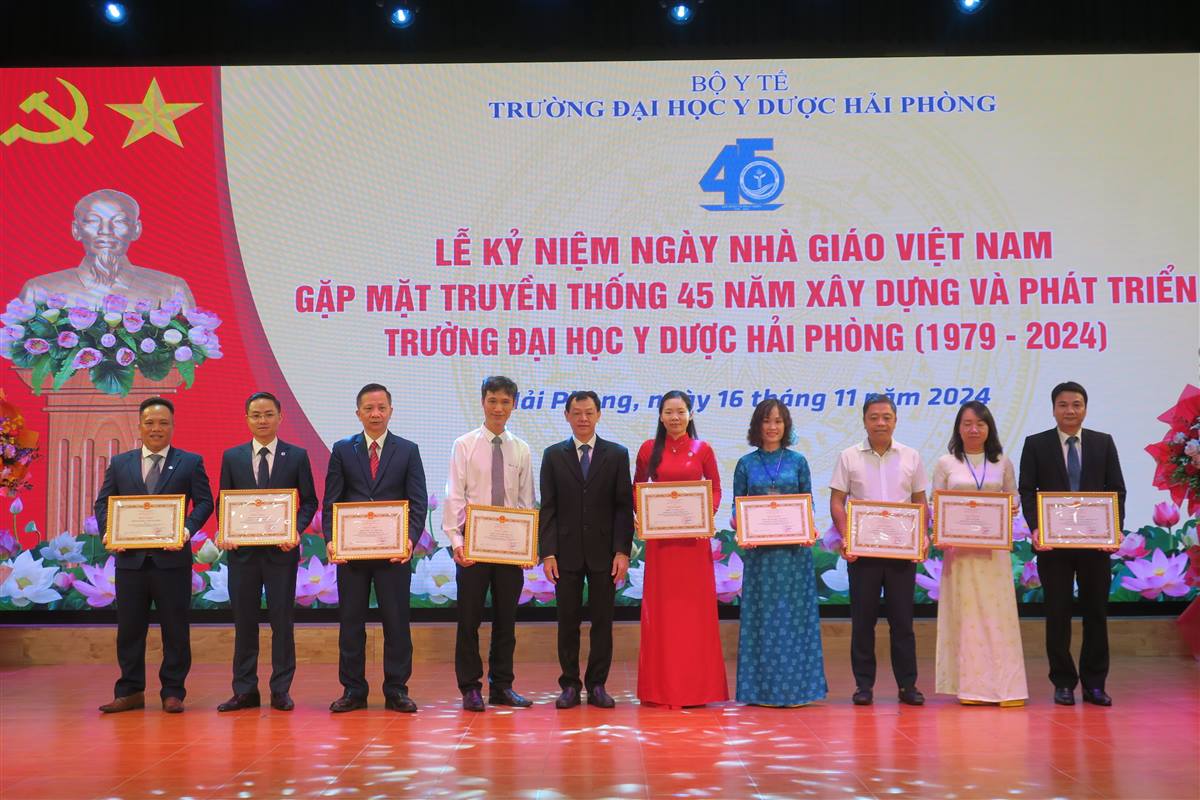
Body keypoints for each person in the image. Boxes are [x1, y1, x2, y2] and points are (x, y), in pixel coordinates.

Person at [93, 396, 214, 713]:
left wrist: (186, 530)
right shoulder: (121, 463)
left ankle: (173, 691)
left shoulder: (190, 462)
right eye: (150, 422)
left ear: (173, 426)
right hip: (130, 562)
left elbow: (204, 502)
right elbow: (104, 502)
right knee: (129, 629)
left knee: (176, 628)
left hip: (172, 560)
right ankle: (130, 690)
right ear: (139, 425)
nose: (156, 428)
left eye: (163, 422)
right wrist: (109, 532)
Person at [1018, 381, 1126, 707]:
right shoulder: (1036, 444)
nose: (1070, 410)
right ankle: (1063, 682)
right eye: (1063, 405)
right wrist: (1037, 528)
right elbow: (1027, 490)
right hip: (1055, 548)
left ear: (1085, 408)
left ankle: (1095, 684)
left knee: (1096, 614)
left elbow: (1117, 490)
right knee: (1058, 614)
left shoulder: (1102, 443)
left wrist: (1114, 530)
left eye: (1076, 404)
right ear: (1053, 409)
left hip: (1095, 546)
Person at [323, 383, 427, 713]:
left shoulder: (408, 450)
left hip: (393, 553)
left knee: (396, 622)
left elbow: (418, 502)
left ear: (391, 411)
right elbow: (332, 500)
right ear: (358, 413)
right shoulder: (342, 449)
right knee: (351, 622)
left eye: (381, 407)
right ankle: (353, 690)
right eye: (369, 408)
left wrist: (409, 540)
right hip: (352, 554)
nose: (375, 413)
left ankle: (396, 689)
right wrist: (330, 539)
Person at [216, 391, 319, 712]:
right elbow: (224, 501)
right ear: (247, 419)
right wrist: (225, 530)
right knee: (244, 622)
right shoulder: (232, 457)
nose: (262, 420)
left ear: (280, 417)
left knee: (281, 622)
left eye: (268, 414)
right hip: (243, 554)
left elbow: (310, 502)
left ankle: (280, 689)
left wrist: (296, 530)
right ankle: (245, 690)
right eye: (256, 415)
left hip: (280, 554)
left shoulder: (297, 456)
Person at [829, 393, 928, 707]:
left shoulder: (911, 456)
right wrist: (847, 536)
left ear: (895, 420)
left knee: (903, 622)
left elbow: (920, 502)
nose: (880, 422)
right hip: (864, 552)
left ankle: (908, 686)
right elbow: (837, 501)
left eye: (886, 416)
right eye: (874, 417)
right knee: (863, 622)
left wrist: (922, 536)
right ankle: (863, 686)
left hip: (901, 553)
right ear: (864, 421)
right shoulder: (849, 456)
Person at [444, 376, 535, 712]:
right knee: (469, 620)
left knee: (506, 620)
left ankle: (502, 686)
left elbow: (526, 503)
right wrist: (456, 542)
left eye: (506, 402)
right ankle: (470, 687)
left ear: (514, 405)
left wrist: (528, 547)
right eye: (493, 400)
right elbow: (455, 496)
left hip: (510, 549)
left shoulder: (521, 449)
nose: (499, 408)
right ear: (483, 401)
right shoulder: (464, 445)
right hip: (472, 548)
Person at [540, 390, 634, 709]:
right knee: (567, 621)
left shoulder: (617, 454)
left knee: (602, 623)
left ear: (598, 415)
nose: (583, 418)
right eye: (577, 413)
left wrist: (622, 551)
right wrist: (548, 553)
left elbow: (624, 507)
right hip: (564, 554)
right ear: (566, 415)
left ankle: (597, 685)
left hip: (604, 554)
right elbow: (548, 508)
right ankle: (569, 684)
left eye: (589, 412)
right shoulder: (553, 455)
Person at [634, 390, 728, 707]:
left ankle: (697, 689)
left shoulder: (703, 449)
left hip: (693, 545)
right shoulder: (648, 450)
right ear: (660, 416)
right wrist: (644, 514)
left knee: (694, 616)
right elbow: (637, 488)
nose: (675, 417)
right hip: (662, 546)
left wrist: (706, 514)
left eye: (681, 411)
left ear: (690, 414)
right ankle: (660, 690)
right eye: (669, 412)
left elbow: (714, 488)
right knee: (662, 615)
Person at [931, 401, 1027, 706]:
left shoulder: (1003, 463)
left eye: (980, 424)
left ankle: (1006, 687)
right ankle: (970, 687)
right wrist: (942, 531)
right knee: (966, 616)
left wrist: (1008, 508)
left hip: (993, 553)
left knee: (998, 617)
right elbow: (936, 506)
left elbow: (1013, 498)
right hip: (959, 553)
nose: (973, 430)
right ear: (958, 428)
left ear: (989, 428)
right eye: (967, 424)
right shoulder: (946, 463)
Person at [733, 399, 828, 707]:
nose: (772, 427)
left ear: (786, 426)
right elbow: (738, 509)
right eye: (766, 421)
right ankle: (761, 691)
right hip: (761, 558)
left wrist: (809, 529)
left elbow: (808, 503)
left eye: (778, 421)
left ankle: (800, 690)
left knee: (794, 620)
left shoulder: (798, 461)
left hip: (793, 557)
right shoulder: (745, 464)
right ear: (756, 426)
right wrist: (741, 530)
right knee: (763, 620)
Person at [19, 189, 197, 309]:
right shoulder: (39, 290)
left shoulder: (170, 289)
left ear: (136, 230)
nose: (105, 231)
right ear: (76, 230)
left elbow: (187, 359)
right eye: (93, 220)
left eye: (119, 221)